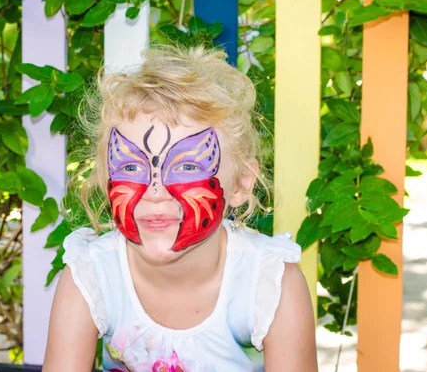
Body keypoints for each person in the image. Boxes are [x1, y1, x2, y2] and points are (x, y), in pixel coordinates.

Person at [42, 45, 318, 372]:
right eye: (130, 167)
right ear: (106, 181)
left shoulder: (269, 285)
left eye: (187, 167)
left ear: (242, 184)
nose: (155, 193)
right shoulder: (91, 277)